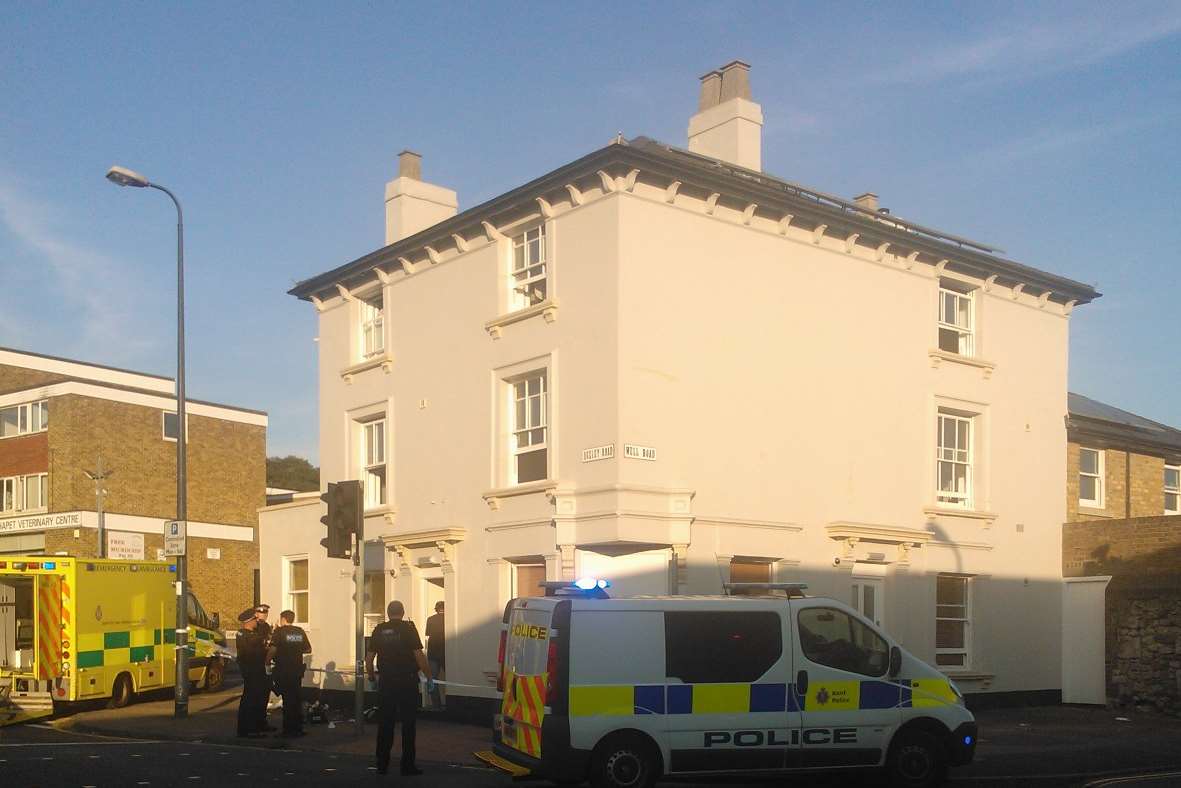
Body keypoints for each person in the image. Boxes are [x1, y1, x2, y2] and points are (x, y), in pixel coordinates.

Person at [365, 600, 430, 776]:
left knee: (385, 723)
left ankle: (382, 763)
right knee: (409, 725)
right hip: (407, 682)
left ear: (388, 613)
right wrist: (429, 677)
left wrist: (371, 677)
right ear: (402, 612)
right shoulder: (409, 629)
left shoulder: (379, 630)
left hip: (386, 682)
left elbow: (369, 659)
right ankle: (407, 765)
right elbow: (419, 656)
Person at [267, 610, 311, 737]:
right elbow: (308, 648)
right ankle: (298, 728)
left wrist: (267, 663)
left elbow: (272, 650)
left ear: (283, 619)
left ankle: (288, 730)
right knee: (296, 699)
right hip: (297, 670)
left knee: (287, 700)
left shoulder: (279, 632)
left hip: (283, 669)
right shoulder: (299, 631)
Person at [235, 608, 269, 738]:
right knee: (252, 700)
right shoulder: (249, 636)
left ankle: (252, 727)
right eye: (255, 619)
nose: (257, 621)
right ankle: (250, 729)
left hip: (251, 670)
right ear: (249, 621)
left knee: (253, 698)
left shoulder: (242, 634)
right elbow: (261, 648)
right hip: (253, 671)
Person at [253, 604, 277, 732]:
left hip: (265, 662)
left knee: (264, 693)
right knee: (257, 694)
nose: (264, 615)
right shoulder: (254, 626)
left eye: (266, 613)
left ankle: (262, 722)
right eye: (262, 613)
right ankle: (256, 723)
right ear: (256, 614)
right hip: (257, 663)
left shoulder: (267, 626)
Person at [424, 601, 445, 711]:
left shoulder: (430, 619)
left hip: (433, 652)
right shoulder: (448, 619)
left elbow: (428, 633)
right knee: (451, 676)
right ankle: (450, 701)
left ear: (436, 609)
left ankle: (436, 704)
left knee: (433, 679)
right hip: (446, 651)